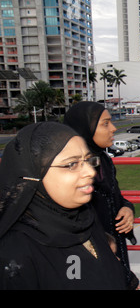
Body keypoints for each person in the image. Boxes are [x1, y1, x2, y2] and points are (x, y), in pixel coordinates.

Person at [0, 122, 127, 289]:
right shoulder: (14, 254)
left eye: (88, 160)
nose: (90, 171)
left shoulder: (84, 217)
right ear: (32, 175)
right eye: (71, 164)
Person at [64, 101, 138, 288]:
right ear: (85, 128)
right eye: (105, 123)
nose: (113, 128)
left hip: (115, 252)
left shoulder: (104, 161)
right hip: (90, 260)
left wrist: (128, 209)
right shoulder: (69, 172)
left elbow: (118, 199)